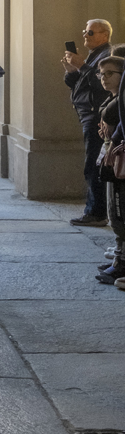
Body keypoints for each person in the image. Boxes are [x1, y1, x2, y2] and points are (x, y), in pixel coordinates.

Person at [62, 18, 112, 225]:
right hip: (87, 114)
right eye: (85, 31)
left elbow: (103, 85)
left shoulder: (108, 55)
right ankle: (96, 210)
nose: (85, 35)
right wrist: (71, 71)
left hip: (95, 116)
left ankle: (96, 212)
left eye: (90, 32)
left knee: (93, 165)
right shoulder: (94, 56)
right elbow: (78, 84)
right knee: (92, 163)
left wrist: (82, 66)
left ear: (104, 36)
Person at [95, 55, 125, 284]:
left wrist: (114, 138)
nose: (104, 78)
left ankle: (121, 263)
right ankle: (119, 258)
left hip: (119, 157)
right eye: (101, 74)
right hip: (112, 155)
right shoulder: (115, 96)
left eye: (109, 74)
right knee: (114, 211)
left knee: (119, 212)